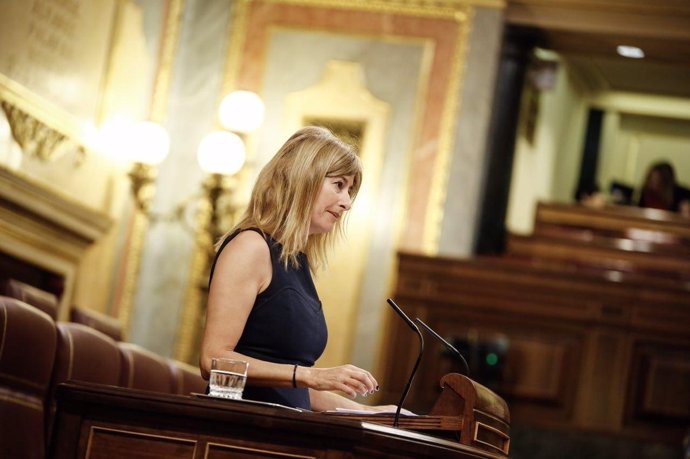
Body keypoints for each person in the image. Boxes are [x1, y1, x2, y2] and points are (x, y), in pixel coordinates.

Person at [199, 126, 396, 412]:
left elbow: (292, 390)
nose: (347, 202)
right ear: (303, 180)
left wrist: (372, 412)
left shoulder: (294, 260)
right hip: (239, 429)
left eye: (350, 189)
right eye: (339, 184)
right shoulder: (251, 246)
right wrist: (312, 375)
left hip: (284, 429)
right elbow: (213, 361)